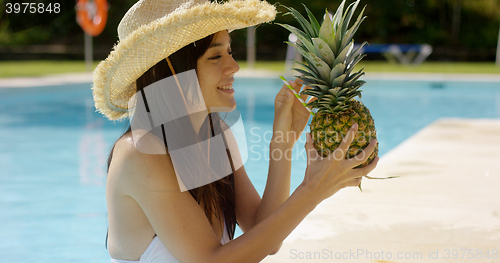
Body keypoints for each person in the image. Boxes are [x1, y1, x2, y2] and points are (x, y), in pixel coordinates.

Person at [92, 0, 379, 262]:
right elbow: (213, 260)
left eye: (230, 52)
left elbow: (262, 231)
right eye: (215, 57)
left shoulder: (215, 136)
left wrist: (283, 143)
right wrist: (313, 190)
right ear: (172, 69)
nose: (234, 67)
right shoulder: (139, 153)